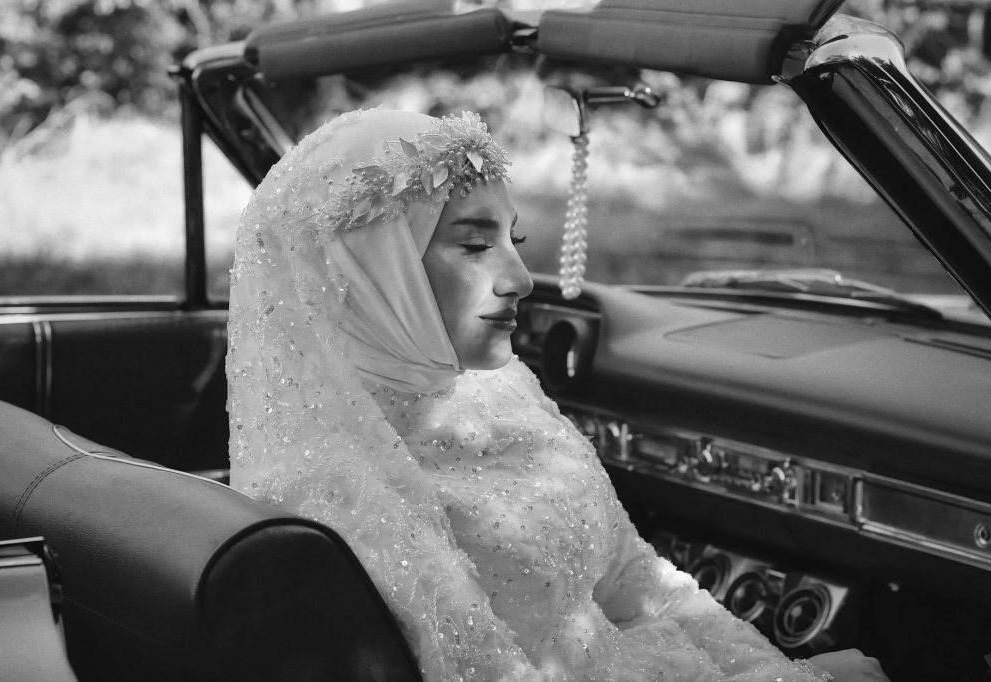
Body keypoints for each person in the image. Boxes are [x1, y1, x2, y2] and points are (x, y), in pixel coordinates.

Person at [227, 108, 887, 681]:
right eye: (474, 244)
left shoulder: (498, 388)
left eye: (513, 240)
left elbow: (636, 577)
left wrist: (777, 671)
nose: (519, 278)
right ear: (369, 268)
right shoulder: (334, 492)